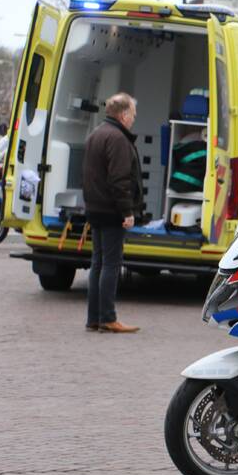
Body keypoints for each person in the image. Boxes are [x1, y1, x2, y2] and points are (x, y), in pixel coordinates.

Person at [82, 92, 144, 334]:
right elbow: (120, 180)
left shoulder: (96, 134)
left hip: (95, 208)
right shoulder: (117, 139)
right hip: (111, 211)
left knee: (97, 263)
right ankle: (108, 318)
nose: (134, 119)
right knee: (111, 264)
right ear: (123, 114)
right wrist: (127, 211)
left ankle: (94, 318)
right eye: (133, 114)